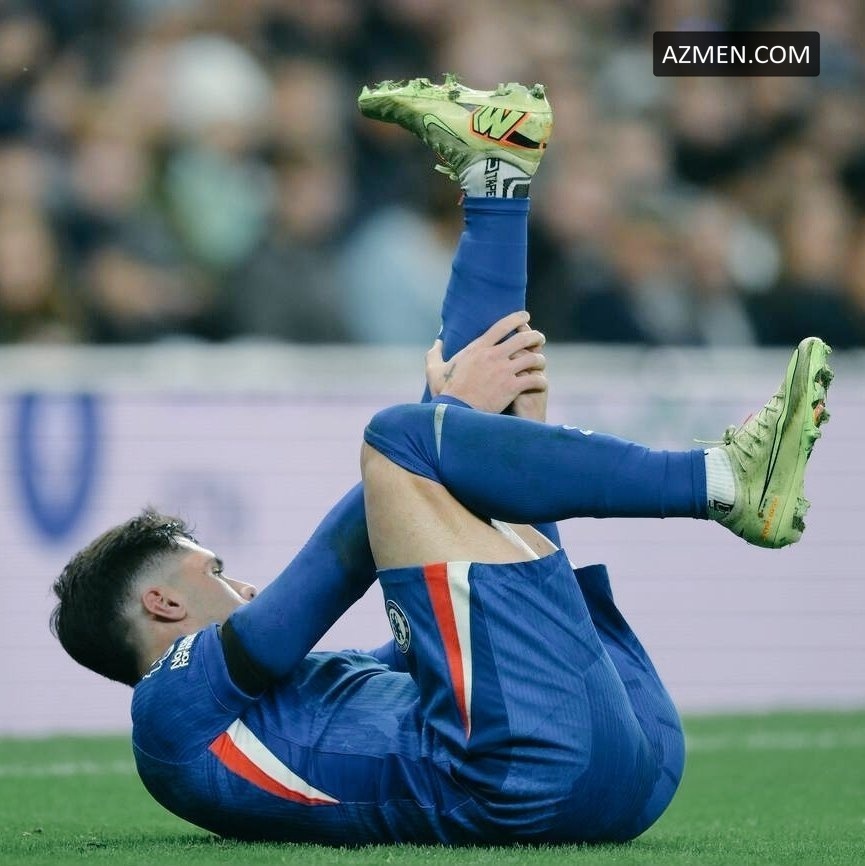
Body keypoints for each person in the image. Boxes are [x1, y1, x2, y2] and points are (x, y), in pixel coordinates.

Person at [50, 76, 833, 845]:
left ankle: (496, 176)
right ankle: (719, 481)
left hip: (620, 764)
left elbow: (455, 610)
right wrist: (450, 418)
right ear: (163, 604)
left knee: (446, 452)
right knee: (402, 439)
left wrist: (491, 443)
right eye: (214, 569)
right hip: (528, 777)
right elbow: (332, 567)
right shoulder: (165, 716)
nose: (243, 583)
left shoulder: (280, 701)